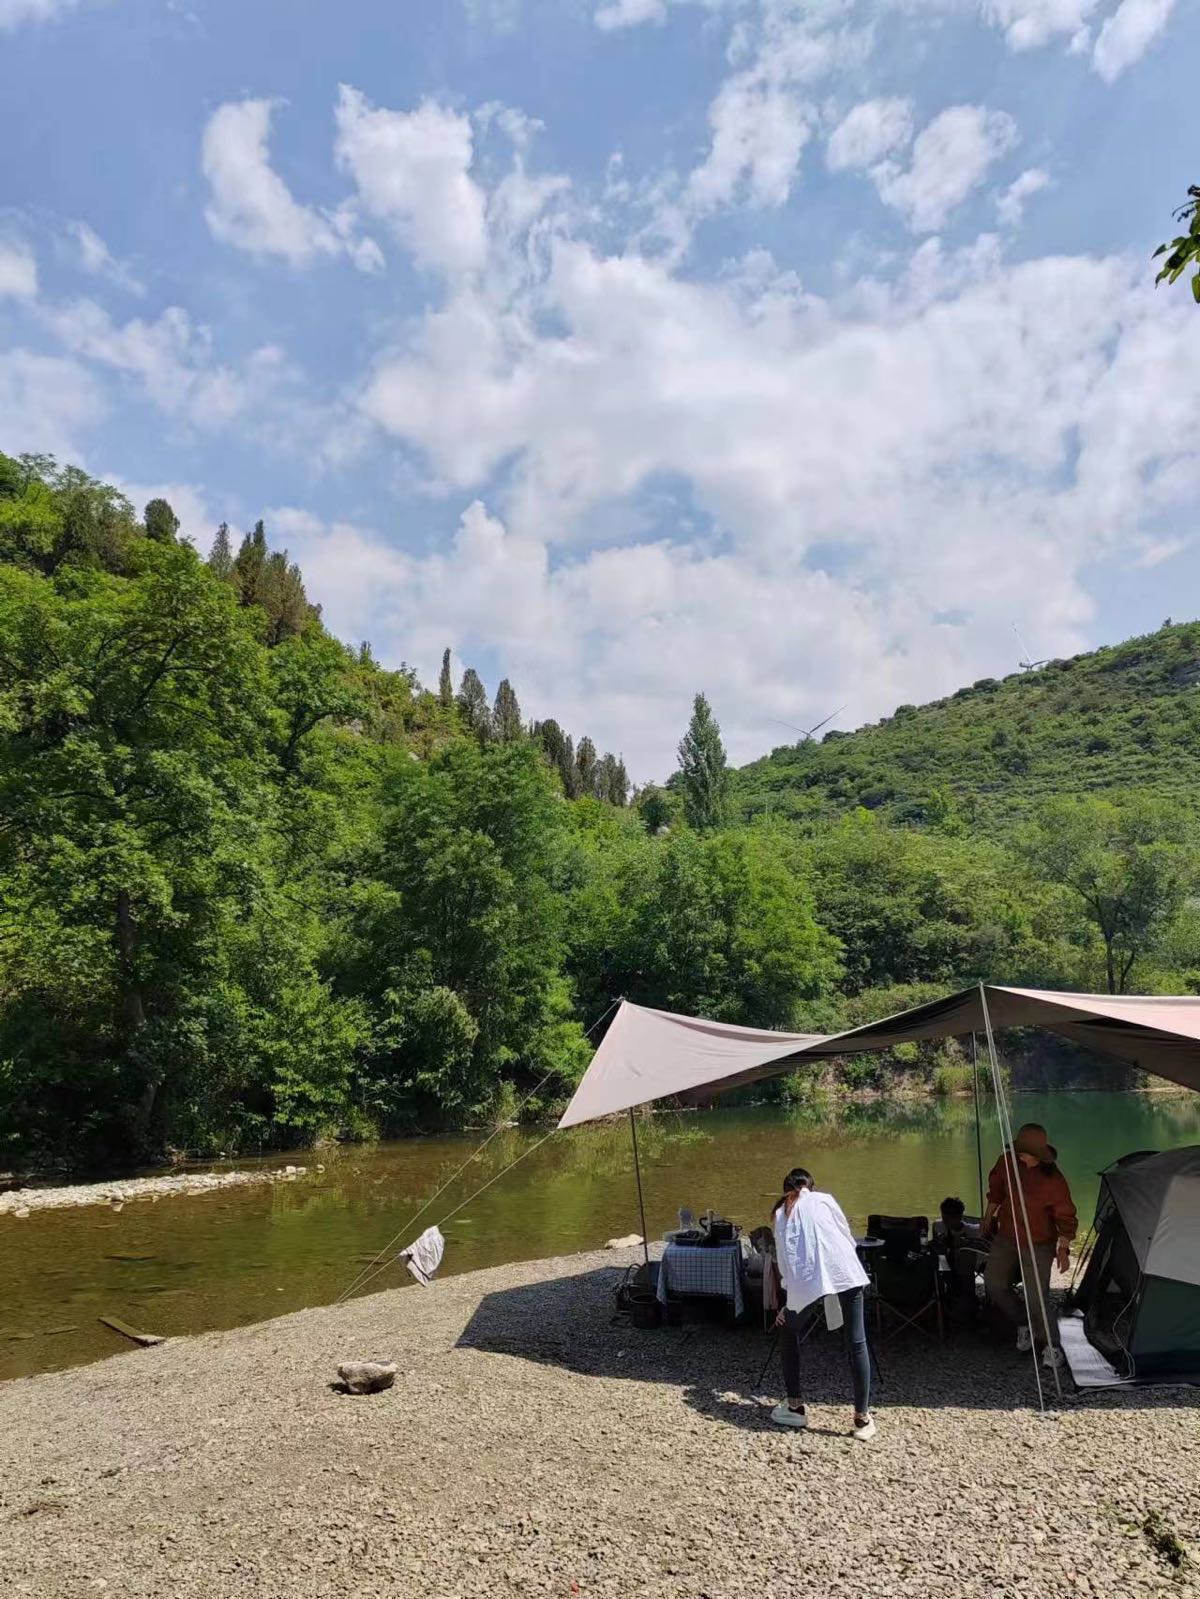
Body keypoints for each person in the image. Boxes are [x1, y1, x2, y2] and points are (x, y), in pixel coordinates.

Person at [770, 1167, 875, 1441]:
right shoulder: (825, 1199)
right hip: (845, 1270)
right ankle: (862, 1420)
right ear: (810, 1186)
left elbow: (785, 1261)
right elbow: (845, 1233)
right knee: (857, 1341)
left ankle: (795, 1406)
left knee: (789, 1330)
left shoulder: (782, 1212)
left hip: (807, 1279)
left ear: (786, 1190)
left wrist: (787, 1301)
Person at [982, 1123, 1077, 1369]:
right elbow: (996, 1191)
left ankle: (1051, 1346)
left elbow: (1066, 1217)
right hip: (1007, 1236)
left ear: (1039, 1156)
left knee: (1037, 1296)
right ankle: (1023, 1323)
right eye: (1018, 1150)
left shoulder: (1053, 1181)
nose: (1020, 1155)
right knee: (993, 1283)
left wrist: (1063, 1249)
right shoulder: (1007, 1163)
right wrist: (987, 1216)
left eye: (1024, 1153)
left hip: (1039, 1242)